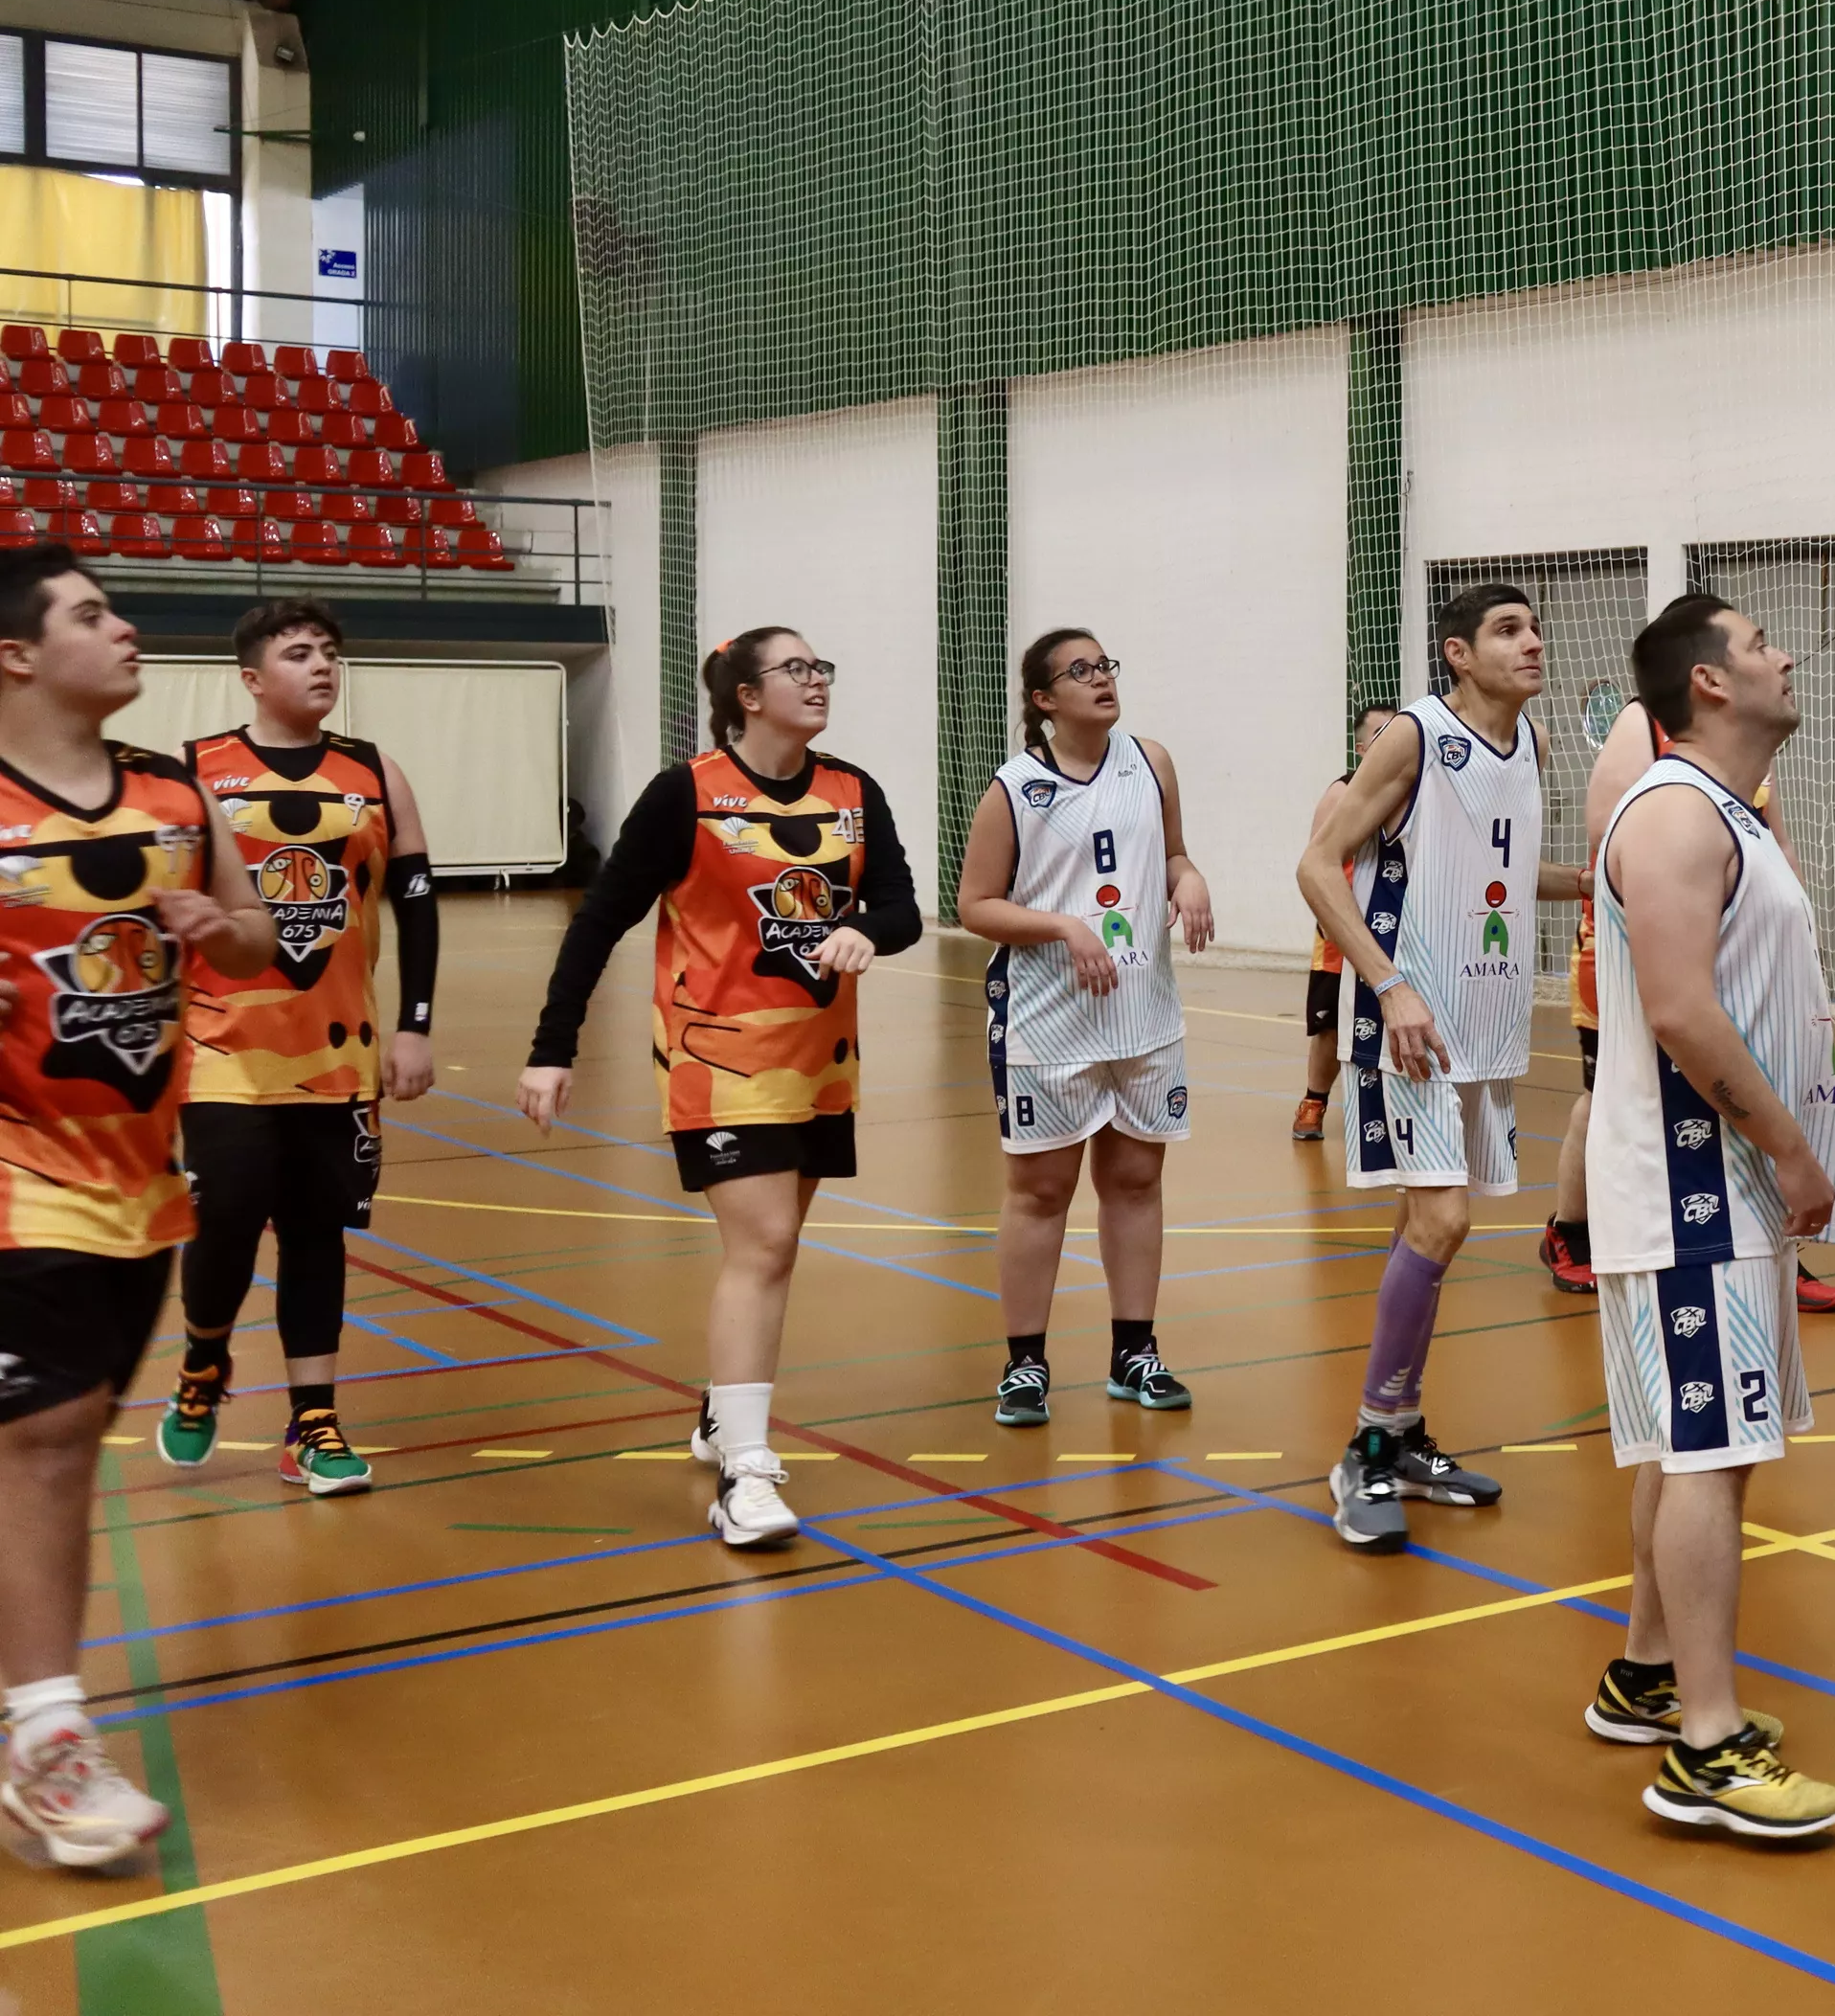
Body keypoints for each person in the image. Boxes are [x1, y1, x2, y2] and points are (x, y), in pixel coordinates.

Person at [519, 628, 922, 1551]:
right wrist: (553, 1046)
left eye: (825, 666)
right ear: (747, 695)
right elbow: (600, 920)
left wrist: (866, 927)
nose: (818, 680)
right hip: (716, 1061)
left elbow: (900, 903)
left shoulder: (854, 792)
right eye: (799, 669)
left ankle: (721, 1411)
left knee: (775, 1253)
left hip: (820, 1064)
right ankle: (745, 1474)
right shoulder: (686, 795)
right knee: (767, 1241)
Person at [0, 546, 274, 1870]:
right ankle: (49, 1744)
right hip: (13, 1170)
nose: (124, 629)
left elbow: (263, 940)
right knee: (47, 1436)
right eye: (91, 613)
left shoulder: (175, 791)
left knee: (59, 1437)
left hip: (142, 1174)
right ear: (15, 652)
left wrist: (213, 927)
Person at [1580, 590, 1835, 1839]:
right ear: (1707, 684)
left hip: (1718, 1194)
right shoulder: (1681, 815)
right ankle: (1704, 1743)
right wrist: (1793, 1152)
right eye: (1758, 644)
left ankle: (1646, 1670)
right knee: (1708, 1455)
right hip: (1700, 1189)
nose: (1783, 655)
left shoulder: (1723, 815)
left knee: (1695, 1447)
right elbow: (1684, 1013)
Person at [1294, 585, 1581, 1553]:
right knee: (1443, 1220)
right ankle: (1368, 1445)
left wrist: (1590, 880)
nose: (1532, 640)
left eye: (1536, 625)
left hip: (1487, 1024)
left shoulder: (1533, 747)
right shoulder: (1417, 737)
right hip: (1411, 1021)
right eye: (1508, 629)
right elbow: (1318, 865)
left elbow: (1503, 863)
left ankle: (1405, 1433)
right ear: (1457, 653)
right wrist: (1387, 986)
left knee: (1422, 1224)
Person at [156, 599, 440, 1496]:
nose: (322, 665)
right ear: (251, 677)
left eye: (330, 652)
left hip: (338, 1053)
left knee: (319, 1232)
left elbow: (417, 904)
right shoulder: (195, 770)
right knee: (229, 1212)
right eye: (298, 652)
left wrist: (415, 1024)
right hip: (221, 1045)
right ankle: (204, 1359)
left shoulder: (374, 772)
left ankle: (312, 1423)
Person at [959, 630, 1215, 1427]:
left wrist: (1191, 878)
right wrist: (1067, 928)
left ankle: (1133, 1351)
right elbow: (975, 905)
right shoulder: (1015, 788)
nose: (1102, 678)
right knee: (1041, 1192)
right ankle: (1025, 1364)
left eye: (1107, 664)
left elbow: (1172, 855)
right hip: (1046, 1018)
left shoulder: (1152, 761)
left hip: (1142, 1013)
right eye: (1082, 670)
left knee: (1136, 1182)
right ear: (1044, 700)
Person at [1539, 696, 1835, 1315]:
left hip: (1735, 951)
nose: (1775, 662)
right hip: (1636, 952)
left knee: (1756, 1078)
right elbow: (1610, 853)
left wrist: (1798, 937)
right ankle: (1569, 1231)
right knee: (1607, 1095)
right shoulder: (1640, 728)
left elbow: (1775, 845)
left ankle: (1776, 1239)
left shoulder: (1743, 750)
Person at [1295, 709, 1395, 1143]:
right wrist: (1329, 922)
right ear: (1360, 746)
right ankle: (1314, 1102)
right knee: (1332, 1026)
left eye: (1394, 731)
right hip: (1344, 933)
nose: (1388, 739)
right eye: (1379, 733)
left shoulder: (1407, 789)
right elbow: (1316, 865)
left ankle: (1389, 1110)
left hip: (1394, 929)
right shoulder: (1341, 793)